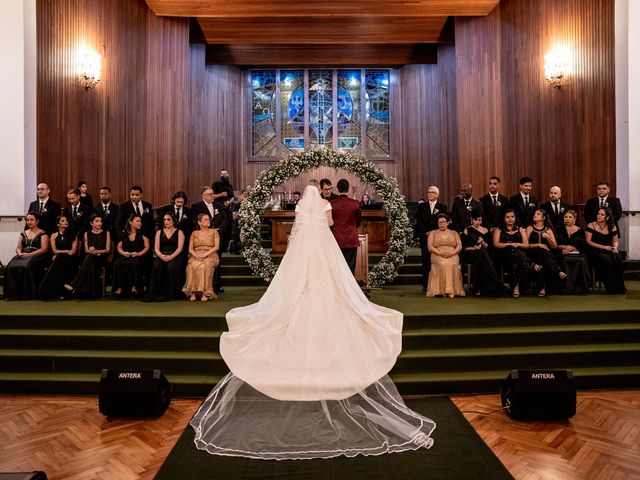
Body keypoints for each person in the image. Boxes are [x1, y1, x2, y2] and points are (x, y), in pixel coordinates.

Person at [190, 185, 435, 460]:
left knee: (299, 282)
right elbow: (329, 224)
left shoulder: (299, 208)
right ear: (318, 196)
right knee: (330, 280)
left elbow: (297, 228)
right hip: (323, 246)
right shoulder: (325, 206)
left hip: (304, 249)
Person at [493, 209, 543, 298]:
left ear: (515, 218)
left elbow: (526, 245)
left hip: (518, 256)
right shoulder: (499, 229)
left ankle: (516, 287)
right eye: (507, 217)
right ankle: (531, 264)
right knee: (510, 249)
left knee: (515, 259)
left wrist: (516, 244)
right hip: (503, 256)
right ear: (504, 219)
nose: (510, 219)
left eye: (512, 217)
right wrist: (510, 245)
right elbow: (496, 244)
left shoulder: (520, 229)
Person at [3, 212, 50, 300]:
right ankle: (13, 294)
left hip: (37, 255)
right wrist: (19, 253)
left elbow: (44, 249)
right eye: (27, 220)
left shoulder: (43, 233)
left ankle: (26, 293)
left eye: (32, 220)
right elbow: (18, 247)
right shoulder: (23, 233)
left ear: (37, 221)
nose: (29, 222)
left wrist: (30, 254)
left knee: (26, 266)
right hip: (23, 254)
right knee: (10, 267)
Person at [66, 214, 111, 299]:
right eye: (96, 221)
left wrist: (96, 251)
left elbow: (108, 250)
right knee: (89, 258)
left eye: (100, 221)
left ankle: (74, 284)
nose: (99, 223)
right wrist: (91, 251)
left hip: (101, 258)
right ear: (91, 223)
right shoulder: (86, 233)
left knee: (89, 258)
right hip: (91, 258)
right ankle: (85, 290)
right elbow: (86, 250)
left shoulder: (106, 233)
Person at [192, 186, 228, 293]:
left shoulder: (218, 206)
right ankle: (203, 286)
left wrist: (218, 230)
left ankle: (217, 285)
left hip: (217, 237)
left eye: (212, 193)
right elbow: (194, 221)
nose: (213, 196)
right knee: (204, 263)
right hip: (203, 239)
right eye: (210, 194)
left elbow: (225, 220)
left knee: (217, 261)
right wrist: (207, 230)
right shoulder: (197, 206)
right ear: (204, 195)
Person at [461, 211, 504, 296]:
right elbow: (464, 247)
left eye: (480, 220)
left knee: (480, 259)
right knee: (482, 254)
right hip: (470, 253)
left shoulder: (485, 230)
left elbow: (489, 247)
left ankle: (478, 288)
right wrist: (474, 248)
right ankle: (495, 283)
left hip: (483, 254)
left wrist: (483, 243)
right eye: (476, 220)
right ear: (471, 220)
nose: (478, 222)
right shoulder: (467, 230)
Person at [145, 213, 185, 302]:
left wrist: (171, 257)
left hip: (175, 255)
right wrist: (160, 255)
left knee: (171, 267)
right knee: (157, 266)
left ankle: (172, 294)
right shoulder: (159, 232)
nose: (166, 222)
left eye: (168, 219)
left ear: (173, 221)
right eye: (164, 220)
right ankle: (157, 293)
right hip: (162, 255)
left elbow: (180, 248)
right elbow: (156, 248)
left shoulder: (179, 232)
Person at [526, 209, 567, 296]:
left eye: (538, 214)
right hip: (532, 254)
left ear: (543, 217)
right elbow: (526, 245)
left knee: (543, 256)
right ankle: (558, 271)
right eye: (534, 214)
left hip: (545, 256)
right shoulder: (529, 228)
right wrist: (538, 245)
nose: (535, 215)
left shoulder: (548, 229)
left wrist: (548, 237)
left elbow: (554, 246)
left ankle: (542, 288)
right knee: (542, 251)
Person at [585, 208, 626, 294]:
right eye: (598, 214)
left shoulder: (612, 226)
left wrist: (615, 248)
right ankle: (610, 287)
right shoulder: (591, 225)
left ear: (607, 217)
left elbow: (615, 241)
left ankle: (619, 287)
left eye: (602, 214)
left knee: (617, 258)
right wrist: (603, 247)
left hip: (608, 249)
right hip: (594, 250)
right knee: (606, 259)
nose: (599, 216)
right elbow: (588, 241)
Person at [414, 185, 448, 290]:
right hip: (425, 237)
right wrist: (426, 232)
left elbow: (443, 221)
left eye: (432, 192)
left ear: (437, 195)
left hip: (437, 237)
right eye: (428, 192)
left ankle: (437, 284)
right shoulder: (421, 206)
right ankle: (426, 285)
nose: (429, 194)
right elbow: (418, 221)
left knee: (437, 260)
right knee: (426, 260)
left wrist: (434, 232)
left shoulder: (442, 207)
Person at [38, 215, 78, 299]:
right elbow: (54, 251)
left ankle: (45, 289)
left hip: (70, 260)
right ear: (58, 224)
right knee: (59, 260)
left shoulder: (73, 235)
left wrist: (60, 254)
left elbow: (72, 252)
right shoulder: (53, 235)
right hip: (59, 260)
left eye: (66, 220)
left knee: (58, 258)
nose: (66, 222)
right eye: (63, 221)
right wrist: (64, 252)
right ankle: (61, 289)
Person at [183, 213, 220, 301]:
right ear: (199, 222)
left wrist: (204, 255)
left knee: (205, 265)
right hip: (196, 255)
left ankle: (206, 292)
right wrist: (197, 256)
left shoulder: (214, 232)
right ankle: (193, 292)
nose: (208, 221)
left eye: (208, 219)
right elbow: (190, 249)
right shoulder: (194, 233)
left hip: (211, 254)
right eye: (205, 219)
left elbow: (216, 247)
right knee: (192, 265)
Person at [426, 214, 465, 298]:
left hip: (452, 254)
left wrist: (453, 253)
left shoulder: (454, 233)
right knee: (443, 263)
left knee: (453, 263)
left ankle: (452, 290)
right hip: (437, 254)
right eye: (439, 222)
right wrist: (440, 253)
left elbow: (459, 245)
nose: (441, 224)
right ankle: (441, 290)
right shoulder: (433, 233)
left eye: (443, 222)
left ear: (448, 223)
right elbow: (430, 246)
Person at [112, 214, 150, 298]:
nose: (140, 223)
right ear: (131, 222)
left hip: (139, 256)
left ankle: (135, 287)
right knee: (117, 263)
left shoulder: (143, 233)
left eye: (140, 221)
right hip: (126, 255)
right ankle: (120, 288)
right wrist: (124, 253)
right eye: (137, 221)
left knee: (135, 263)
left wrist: (138, 253)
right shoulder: (124, 233)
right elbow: (119, 247)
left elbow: (147, 247)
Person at [556, 210, 591, 295]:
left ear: (575, 219)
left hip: (578, 253)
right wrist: (563, 247)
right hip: (561, 253)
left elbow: (583, 246)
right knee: (563, 260)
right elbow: (555, 245)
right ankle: (565, 288)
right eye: (566, 217)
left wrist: (573, 248)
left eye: (570, 217)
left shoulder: (580, 230)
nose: (567, 219)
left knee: (582, 261)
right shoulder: (558, 229)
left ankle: (580, 288)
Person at [330, 179, 362, 274]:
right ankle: (350, 287)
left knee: (337, 266)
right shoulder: (355, 203)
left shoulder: (332, 203)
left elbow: (330, 221)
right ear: (348, 189)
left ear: (338, 189)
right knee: (350, 267)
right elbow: (358, 222)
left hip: (336, 238)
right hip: (351, 238)